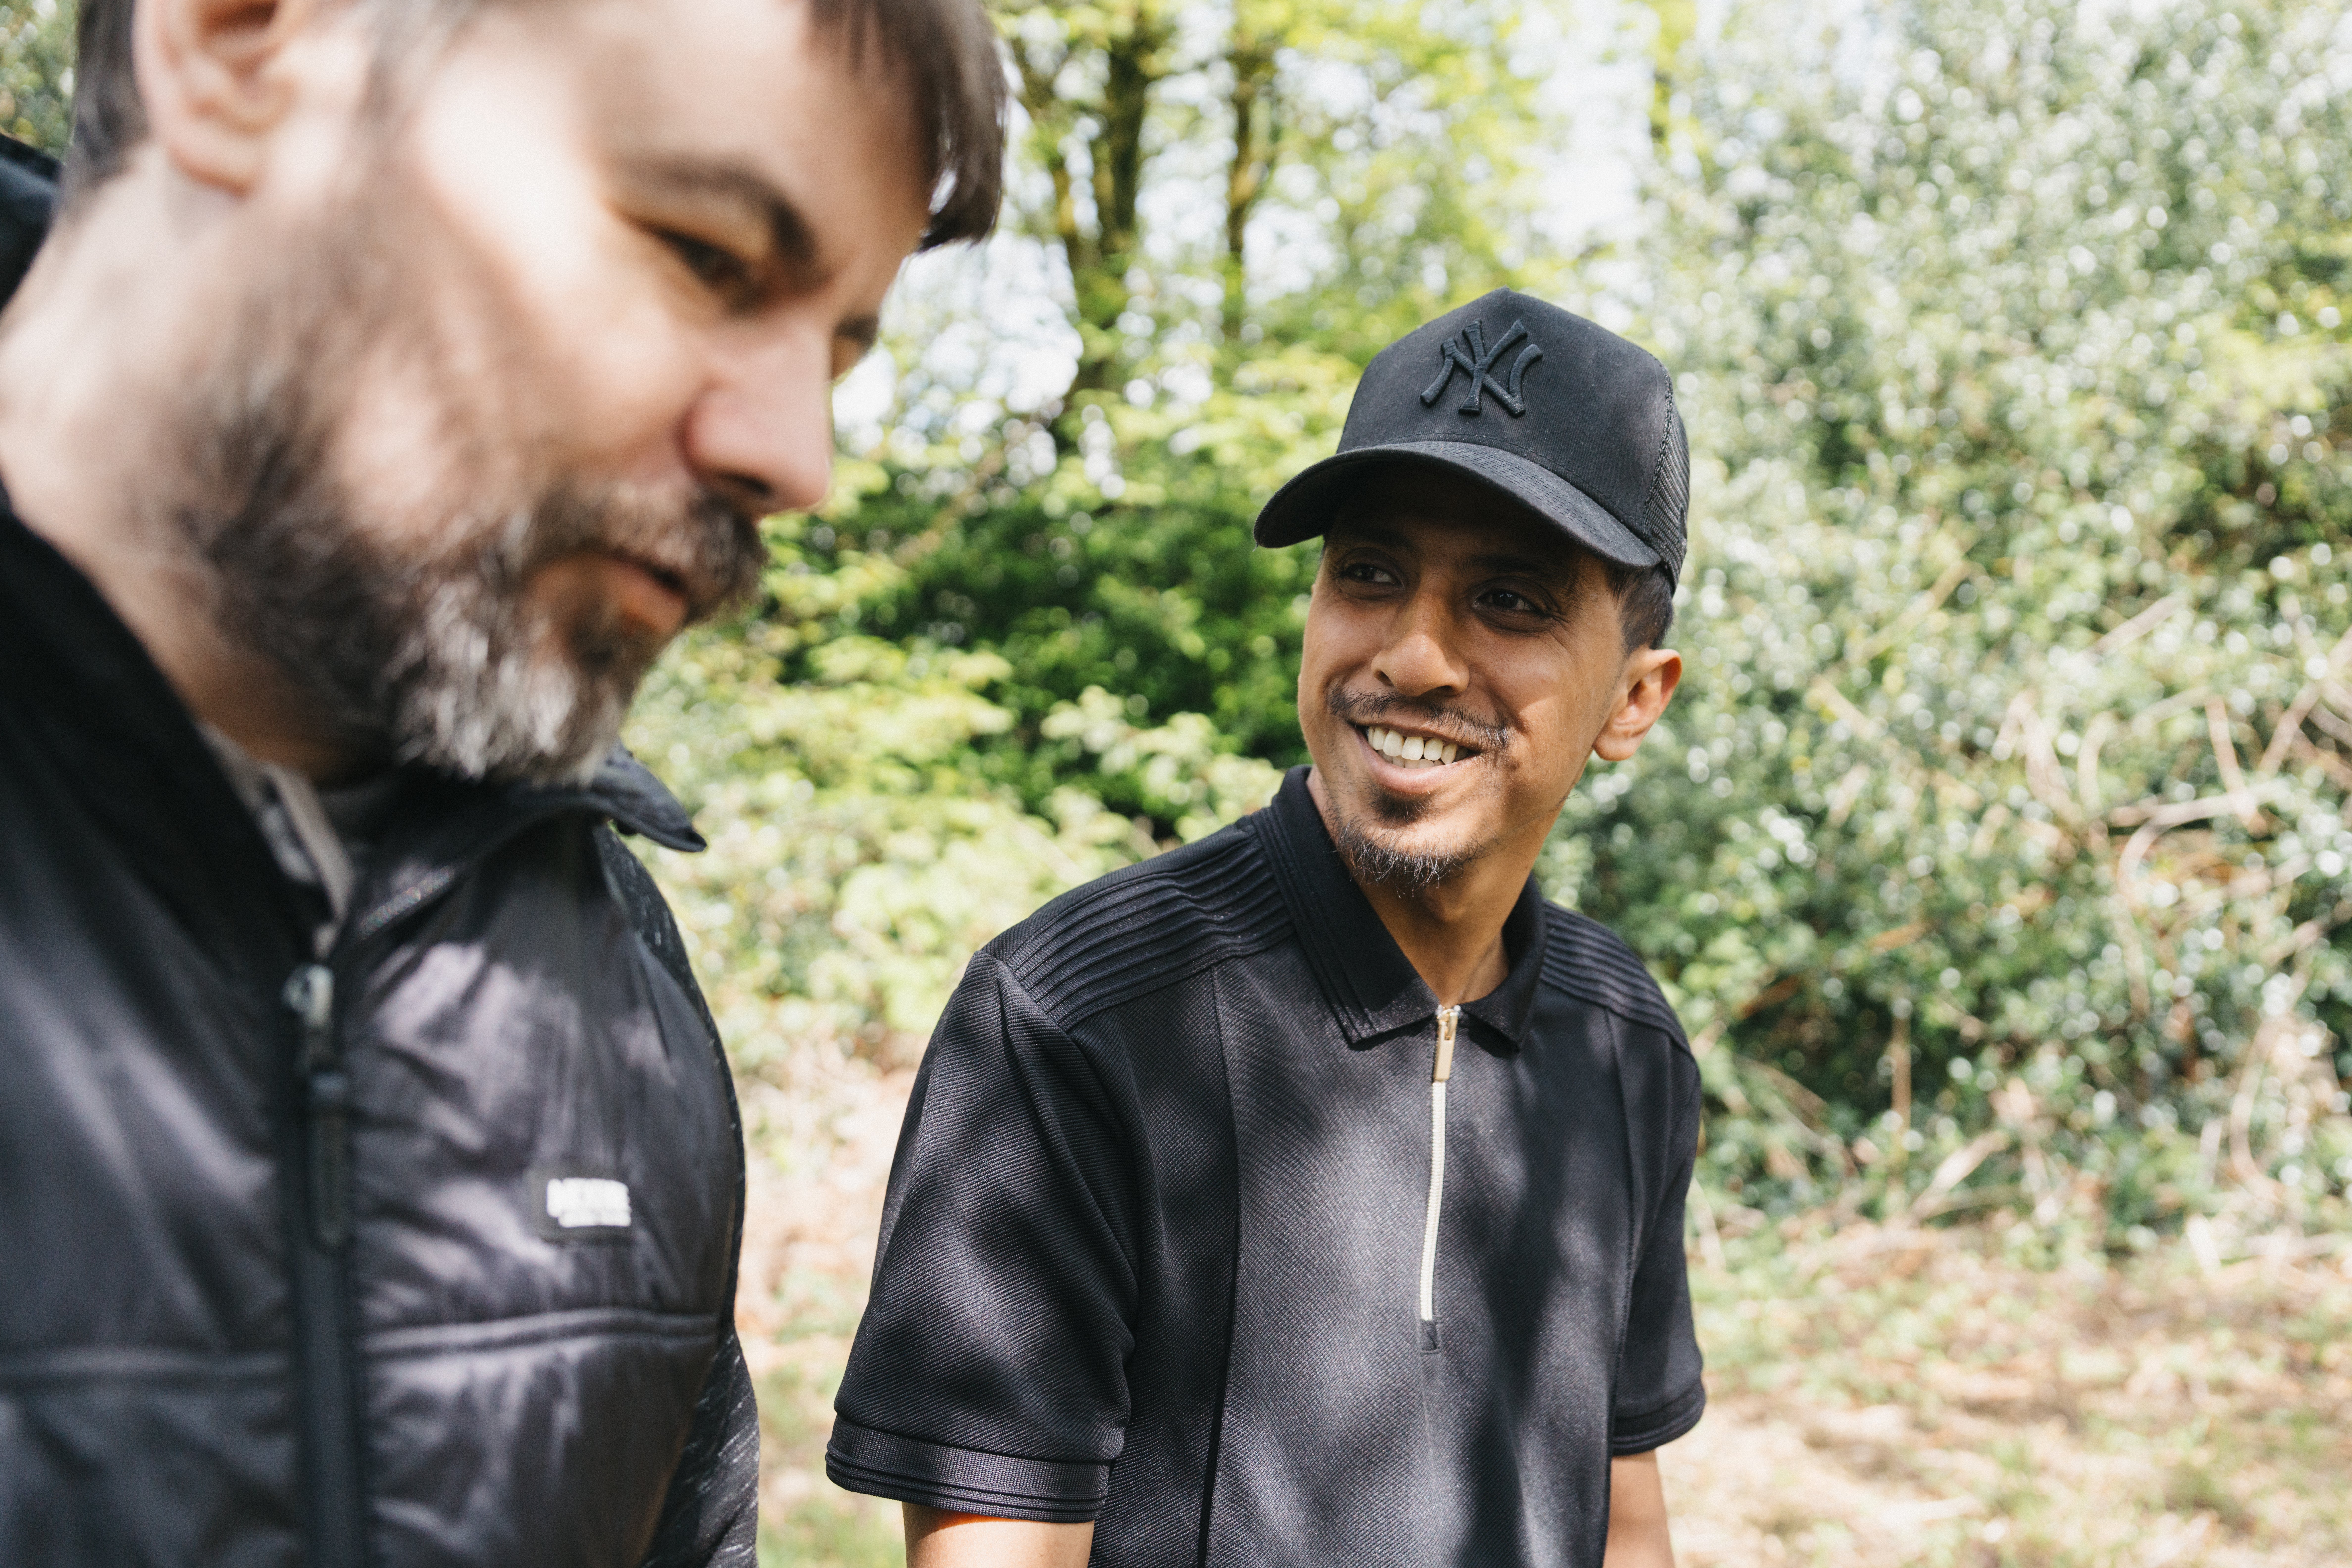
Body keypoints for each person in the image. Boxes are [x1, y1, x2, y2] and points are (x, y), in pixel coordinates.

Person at [0, 0, 1000, 1562]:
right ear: (239, 45)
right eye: (709, 254)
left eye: (841, 345)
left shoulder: (614, 979)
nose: (800, 456)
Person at [829, 289, 1703, 1568]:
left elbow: (1627, 1525)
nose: (1412, 653)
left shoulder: (1627, 1047)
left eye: (1510, 601)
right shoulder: (1074, 1024)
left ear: (1634, 699)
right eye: (1370, 573)